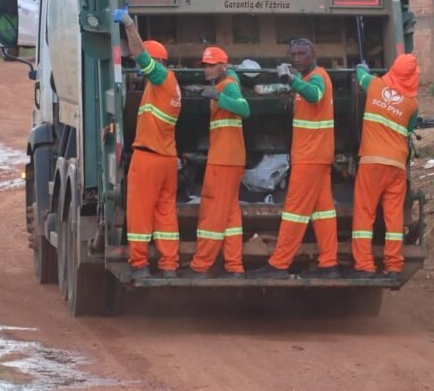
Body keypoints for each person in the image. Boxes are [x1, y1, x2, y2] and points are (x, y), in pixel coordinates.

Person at [248, 38, 339, 279]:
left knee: (295, 211)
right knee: (322, 211)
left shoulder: (317, 77)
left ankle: (279, 264)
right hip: (317, 156)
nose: (297, 58)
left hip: (310, 157)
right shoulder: (309, 78)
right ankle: (329, 264)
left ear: (314, 54)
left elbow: (315, 95)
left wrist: (292, 80)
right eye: (293, 54)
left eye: (302, 53)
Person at [113, 7, 181, 280]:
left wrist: (130, 26)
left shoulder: (162, 79)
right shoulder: (170, 88)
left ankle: (139, 264)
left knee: (140, 213)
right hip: (166, 159)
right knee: (165, 215)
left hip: (149, 158)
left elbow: (141, 56)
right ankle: (169, 265)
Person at [180, 47, 250, 279]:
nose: (207, 70)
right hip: (230, 159)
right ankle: (234, 266)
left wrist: (217, 96)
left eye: (211, 65)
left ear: (223, 66)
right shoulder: (228, 81)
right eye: (205, 66)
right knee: (230, 215)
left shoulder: (227, 85)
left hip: (224, 160)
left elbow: (244, 109)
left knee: (212, 212)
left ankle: (200, 267)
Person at [350, 54, 420, 283]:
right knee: (393, 218)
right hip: (396, 166)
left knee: (365, 212)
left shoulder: (375, 85)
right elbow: (408, 132)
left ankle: (365, 265)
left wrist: (362, 66)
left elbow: (360, 76)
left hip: (371, 162)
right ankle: (393, 267)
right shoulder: (412, 105)